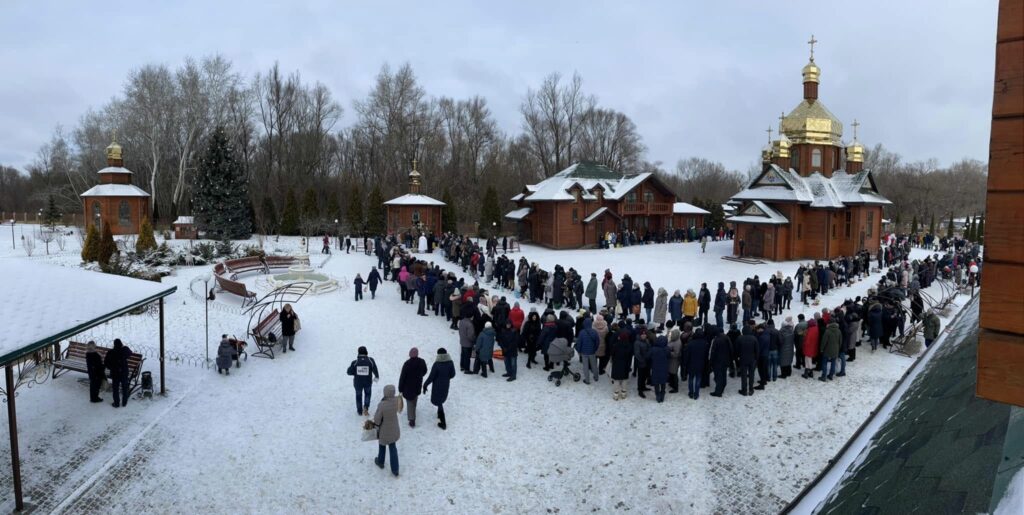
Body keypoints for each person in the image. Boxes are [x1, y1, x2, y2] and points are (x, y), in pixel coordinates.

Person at [422, 348, 456, 430]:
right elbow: (453, 374)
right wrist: (446, 378)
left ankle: (443, 422)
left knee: (438, 401)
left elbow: (431, 377)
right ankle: (439, 413)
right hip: (446, 385)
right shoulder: (450, 362)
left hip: (437, 386)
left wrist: (425, 385)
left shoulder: (436, 364)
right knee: (441, 399)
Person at [372, 385, 401, 477]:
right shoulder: (397, 400)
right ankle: (395, 470)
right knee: (393, 448)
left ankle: (380, 461)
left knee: (382, 445)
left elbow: (377, 419)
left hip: (384, 431)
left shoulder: (382, 405)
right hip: (394, 428)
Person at [397, 348, 428, 427]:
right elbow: (425, 370)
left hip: (408, 387)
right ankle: (414, 409)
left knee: (409, 402)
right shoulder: (422, 362)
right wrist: (420, 376)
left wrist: (400, 388)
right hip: (417, 385)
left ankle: (412, 420)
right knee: (415, 397)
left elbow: (402, 377)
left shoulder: (407, 364)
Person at [347, 346, 379, 416]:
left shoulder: (355, 362)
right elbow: (375, 369)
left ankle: (359, 411)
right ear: (366, 352)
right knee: (368, 394)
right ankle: (366, 407)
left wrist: (355, 372)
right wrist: (376, 376)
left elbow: (348, 372)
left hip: (358, 383)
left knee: (358, 396)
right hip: (368, 382)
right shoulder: (371, 360)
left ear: (358, 353)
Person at [104, 338, 133, 408]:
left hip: (115, 373)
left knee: (115, 388)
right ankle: (124, 402)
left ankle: (116, 403)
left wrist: (111, 367)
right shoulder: (124, 350)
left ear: (114, 345)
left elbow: (106, 363)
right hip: (124, 372)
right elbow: (130, 352)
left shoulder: (111, 352)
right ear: (121, 343)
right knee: (125, 387)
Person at [610, 323, 633, 400]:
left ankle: (616, 394)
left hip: (616, 364)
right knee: (624, 379)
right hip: (626, 365)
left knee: (616, 380)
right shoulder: (629, 347)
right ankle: (624, 393)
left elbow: (612, 354)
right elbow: (630, 356)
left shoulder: (615, 346)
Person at [684, 328, 708, 400]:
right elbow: (706, 355)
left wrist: (685, 364)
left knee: (691, 378)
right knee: (698, 378)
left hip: (691, 364)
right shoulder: (705, 343)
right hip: (700, 364)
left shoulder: (691, 343)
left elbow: (686, 355)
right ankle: (696, 393)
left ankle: (691, 392)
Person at [576, 316, 600, 384]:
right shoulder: (594, 332)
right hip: (592, 352)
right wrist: (595, 349)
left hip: (584, 352)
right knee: (594, 365)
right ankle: (596, 377)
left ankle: (587, 380)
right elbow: (597, 342)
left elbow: (579, 343)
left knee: (585, 366)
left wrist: (579, 350)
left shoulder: (581, 332)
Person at [649, 335, 670, 402]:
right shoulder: (667, 349)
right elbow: (669, 356)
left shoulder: (653, 349)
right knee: (663, 382)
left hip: (655, 367)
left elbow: (648, 356)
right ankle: (662, 394)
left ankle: (657, 395)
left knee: (656, 382)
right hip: (664, 368)